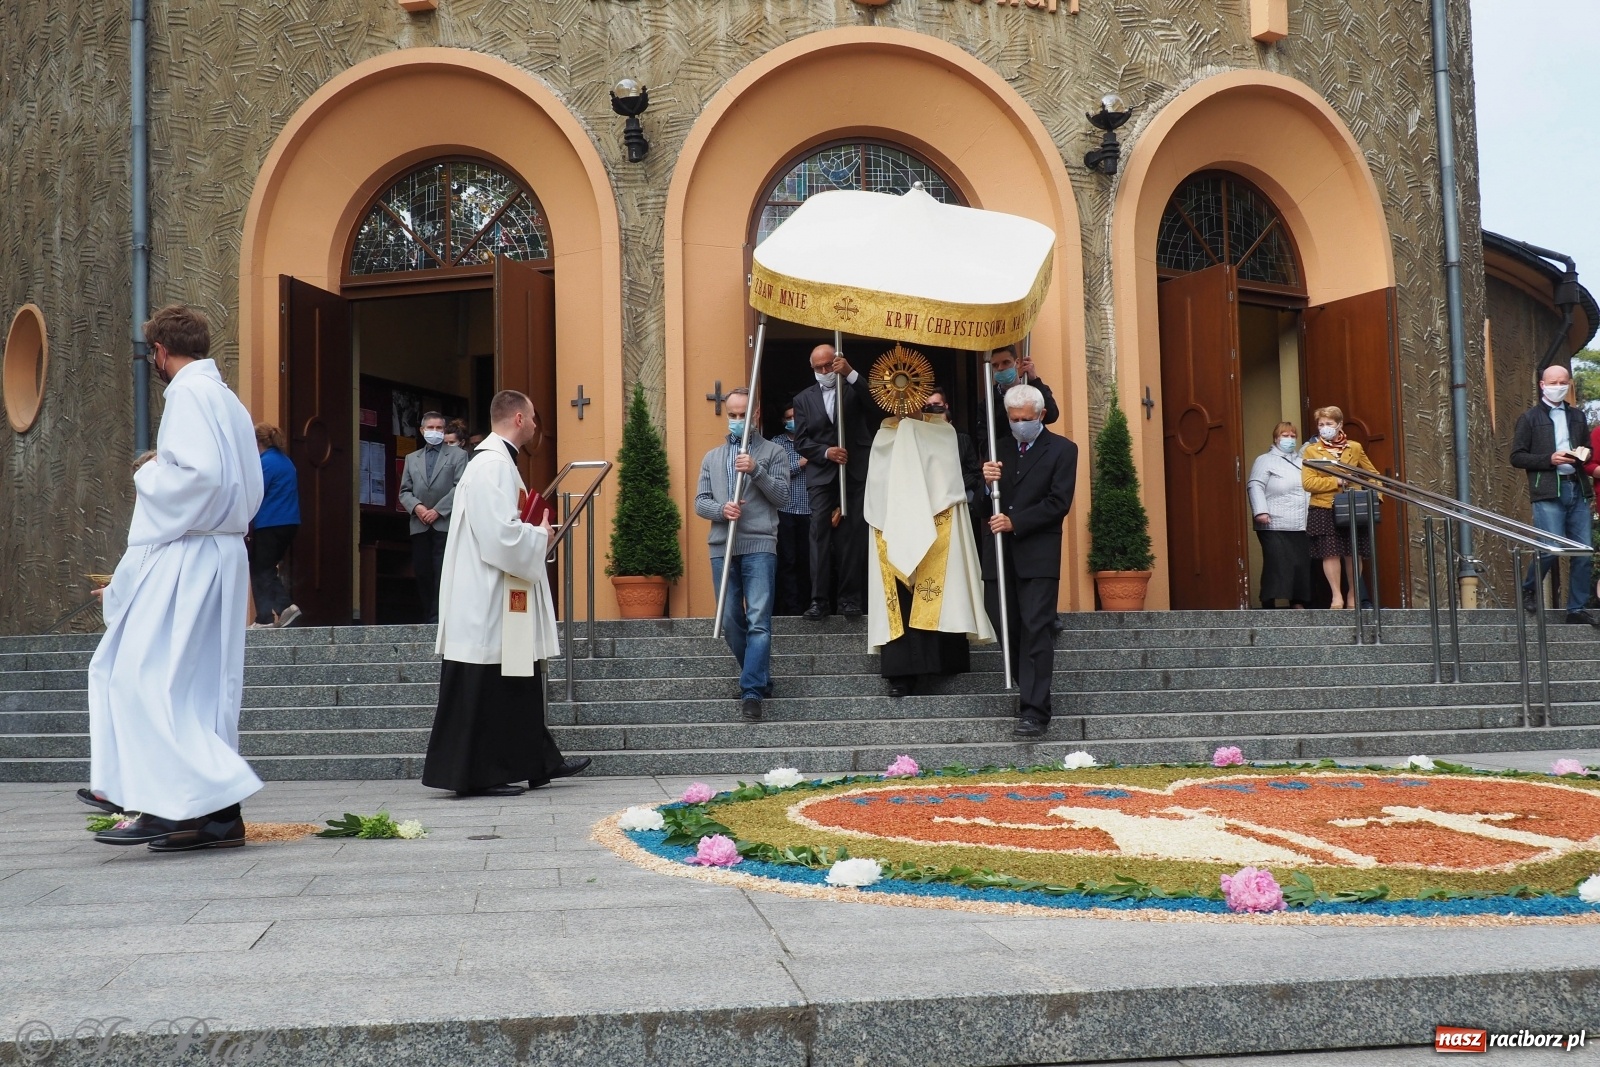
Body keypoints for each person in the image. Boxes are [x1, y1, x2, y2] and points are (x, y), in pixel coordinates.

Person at [85, 304, 266, 851]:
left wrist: (150, 475)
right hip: (220, 550)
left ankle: (173, 805)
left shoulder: (187, 395)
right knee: (196, 688)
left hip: (191, 554)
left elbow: (198, 476)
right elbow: (244, 481)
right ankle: (212, 817)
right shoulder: (227, 399)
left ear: (160, 352)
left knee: (141, 675)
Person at [422, 391, 589, 797]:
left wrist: (530, 532)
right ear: (518, 419)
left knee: (515, 676)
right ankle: (478, 775)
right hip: (486, 598)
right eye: (533, 417)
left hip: (496, 592)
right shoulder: (493, 466)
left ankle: (538, 761)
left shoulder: (495, 462)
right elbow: (500, 536)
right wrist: (539, 534)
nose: (535, 425)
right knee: (491, 682)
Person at [866, 386, 993, 698]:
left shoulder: (944, 433)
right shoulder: (883, 437)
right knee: (900, 597)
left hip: (939, 522)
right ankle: (901, 674)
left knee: (943, 592)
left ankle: (944, 662)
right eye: (898, 402)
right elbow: (878, 485)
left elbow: (949, 479)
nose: (905, 406)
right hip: (893, 525)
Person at [980, 384, 1079, 738]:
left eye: (1025, 418)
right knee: (1004, 622)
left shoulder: (1063, 450)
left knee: (1036, 627)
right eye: (1013, 418)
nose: (1019, 424)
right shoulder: (997, 448)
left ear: (1041, 415)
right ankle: (1032, 686)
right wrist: (985, 485)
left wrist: (1016, 522)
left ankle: (1035, 710)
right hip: (999, 554)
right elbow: (981, 505)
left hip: (1037, 555)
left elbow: (1058, 502)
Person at [694, 388, 791, 721]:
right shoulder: (712, 457)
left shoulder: (774, 452)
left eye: (743, 415)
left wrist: (756, 470)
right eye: (732, 415)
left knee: (758, 620)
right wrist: (722, 509)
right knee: (730, 620)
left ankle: (752, 690)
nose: (737, 420)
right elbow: (700, 502)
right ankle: (759, 674)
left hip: (759, 544)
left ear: (756, 414)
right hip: (722, 546)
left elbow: (782, 496)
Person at [791, 343, 886, 619]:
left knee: (852, 535)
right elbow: (801, 441)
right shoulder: (803, 399)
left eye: (828, 366)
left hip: (855, 471)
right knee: (819, 534)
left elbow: (877, 406)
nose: (824, 371)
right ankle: (819, 600)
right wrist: (826, 452)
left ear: (837, 362)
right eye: (818, 368)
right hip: (822, 474)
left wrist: (850, 373)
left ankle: (850, 600)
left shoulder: (852, 387)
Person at [1512, 365, 1595, 622]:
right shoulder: (1529, 418)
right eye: (1553, 382)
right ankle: (1529, 588)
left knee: (1584, 551)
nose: (1558, 386)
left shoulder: (1577, 416)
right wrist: (1550, 459)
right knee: (1550, 548)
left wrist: (1583, 455)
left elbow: (1588, 448)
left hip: (1577, 487)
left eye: (1562, 382)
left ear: (1569, 384)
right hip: (1548, 490)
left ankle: (1576, 609)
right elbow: (1517, 456)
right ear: (1542, 385)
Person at [1301, 406, 1381, 610]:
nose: (1324, 428)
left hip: (1350, 505)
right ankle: (1336, 596)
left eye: (1329, 423)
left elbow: (1373, 474)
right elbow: (1308, 483)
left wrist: (1375, 498)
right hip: (1323, 507)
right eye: (1321, 424)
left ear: (1339, 425)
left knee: (1353, 552)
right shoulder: (1311, 450)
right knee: (1330, 552)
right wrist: (1335, 482)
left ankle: (1353, 594)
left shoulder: (1354, 447)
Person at [399, 411, 470, 623]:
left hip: (445, 523)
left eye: (439, 428)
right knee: (422, 571)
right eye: (430, 428)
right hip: (419, 523)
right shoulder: (412, 458)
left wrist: (438, 510)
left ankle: (439, 617)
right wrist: (418, 508)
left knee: (443, 572)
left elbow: (461, 487)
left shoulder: (458, 455)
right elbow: (404, 491)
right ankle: (428, 614)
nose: (435, 432)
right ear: (422, 431)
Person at [1246, 421, 1311, 609]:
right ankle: (1269, 602)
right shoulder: (1265, 460)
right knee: (1276, 563)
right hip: (1273, 522)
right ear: (1276, 438)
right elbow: (1255, 485)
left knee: (1300, 564)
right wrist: (1260, 511)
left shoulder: (1302, 461)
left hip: (1300, 523)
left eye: (1293, 436)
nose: (1289, 439)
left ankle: (1297, 602)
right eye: (1285, 435)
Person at [249, 423, 302, 628]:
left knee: (261, 569)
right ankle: (268, 616)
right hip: (288, 523)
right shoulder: (285, 461)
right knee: (265, 568)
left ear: (258, 442)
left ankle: (278, 611)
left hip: (269, 523)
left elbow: (254, 493)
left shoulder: (266, 463)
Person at [975, 344, 1061, 445]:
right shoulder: (989, 402)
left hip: (1035, 449)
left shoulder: (1034, 389)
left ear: (1017, 363)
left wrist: (1034, 380)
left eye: (1006, 362)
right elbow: (984, 440)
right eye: (995, 365)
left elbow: (1051, 416)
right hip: (1006, 452)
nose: (1000, 368)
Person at [773, 401, 812, 616]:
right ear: (782, 420)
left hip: (809, 510)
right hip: (785, 510)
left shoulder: (813, 441)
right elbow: (774, 473)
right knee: (787, 560)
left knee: (808, 560)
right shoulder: (776, 443)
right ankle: (790, 608)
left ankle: (809, 605)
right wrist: (801, 463)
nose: (792, 421)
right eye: (788, 417)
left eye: (795, 416)